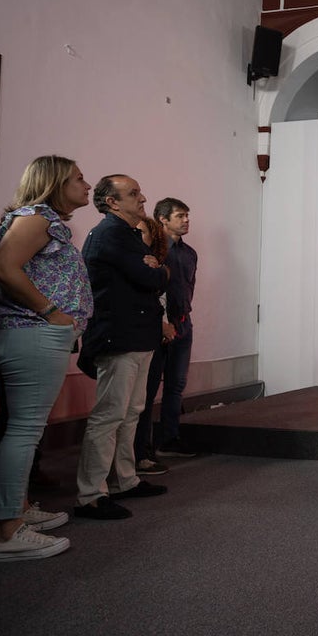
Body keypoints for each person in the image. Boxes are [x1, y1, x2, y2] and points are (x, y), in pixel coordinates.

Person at [0, 156, 94, 561]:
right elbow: (4, 268)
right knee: (25, 430)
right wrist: (51, 312)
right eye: (79, 179)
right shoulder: (37, 216)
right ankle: (8, 531)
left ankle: (18, 509)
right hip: (31, 330)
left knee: (25, 429)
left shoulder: (41, 219)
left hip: (32, 333)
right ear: (55, 182)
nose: (87, 185)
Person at [74, 175, 170, 520]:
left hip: (137, 335)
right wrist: (157, 270)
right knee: (109, 415)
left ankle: (125, 480)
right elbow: (150, 277)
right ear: (112, 202)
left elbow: (157, 274)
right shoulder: (110, 234)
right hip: (118, 335)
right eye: (132, 193)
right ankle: (90, 494)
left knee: (131, 412)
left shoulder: (128, 235)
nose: (142, 197)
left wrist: (158, 270)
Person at [146, 198, 199, 459]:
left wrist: (183, 318)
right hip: (158, 326)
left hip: (183, 322)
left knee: (176, 385)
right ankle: (142, 448)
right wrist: (162, 322)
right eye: (180, 216)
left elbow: (188, 288)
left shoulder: (190, 253)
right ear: (163, 219)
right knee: (148, 386)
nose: (186, 220)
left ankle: (169, 439)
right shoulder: (153, 251)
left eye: (187, 215)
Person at [133, 216, 172, 476]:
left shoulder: (155, 261)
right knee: (132, 403)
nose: (137, 236)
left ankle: (143, 452)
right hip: (137, 335)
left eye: (142, 232)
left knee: (145, 399)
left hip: (154, 335)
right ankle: (135, 457)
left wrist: (165, 323)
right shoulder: (133, 260)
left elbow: (160, 296)